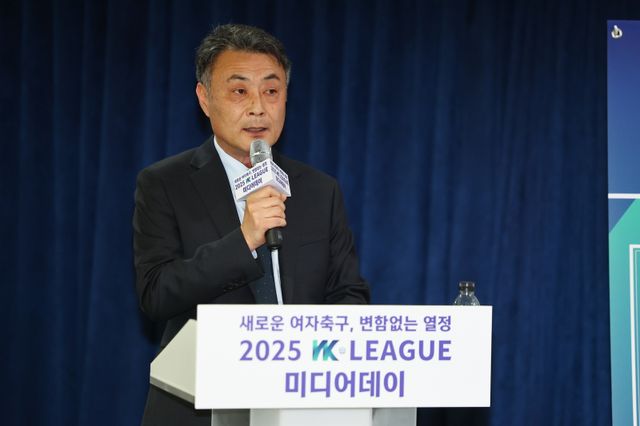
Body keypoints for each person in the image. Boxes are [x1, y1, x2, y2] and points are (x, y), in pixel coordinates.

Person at [132, 24, 370, 426]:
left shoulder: (319, 189)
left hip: (300, 405)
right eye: (240, 91)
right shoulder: (164, 183)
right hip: (199, 407)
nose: (258, 107)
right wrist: (244, 240)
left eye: (271, 91)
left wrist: (318, 357)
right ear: (205, 98)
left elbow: (349, 294)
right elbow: (157, 294)